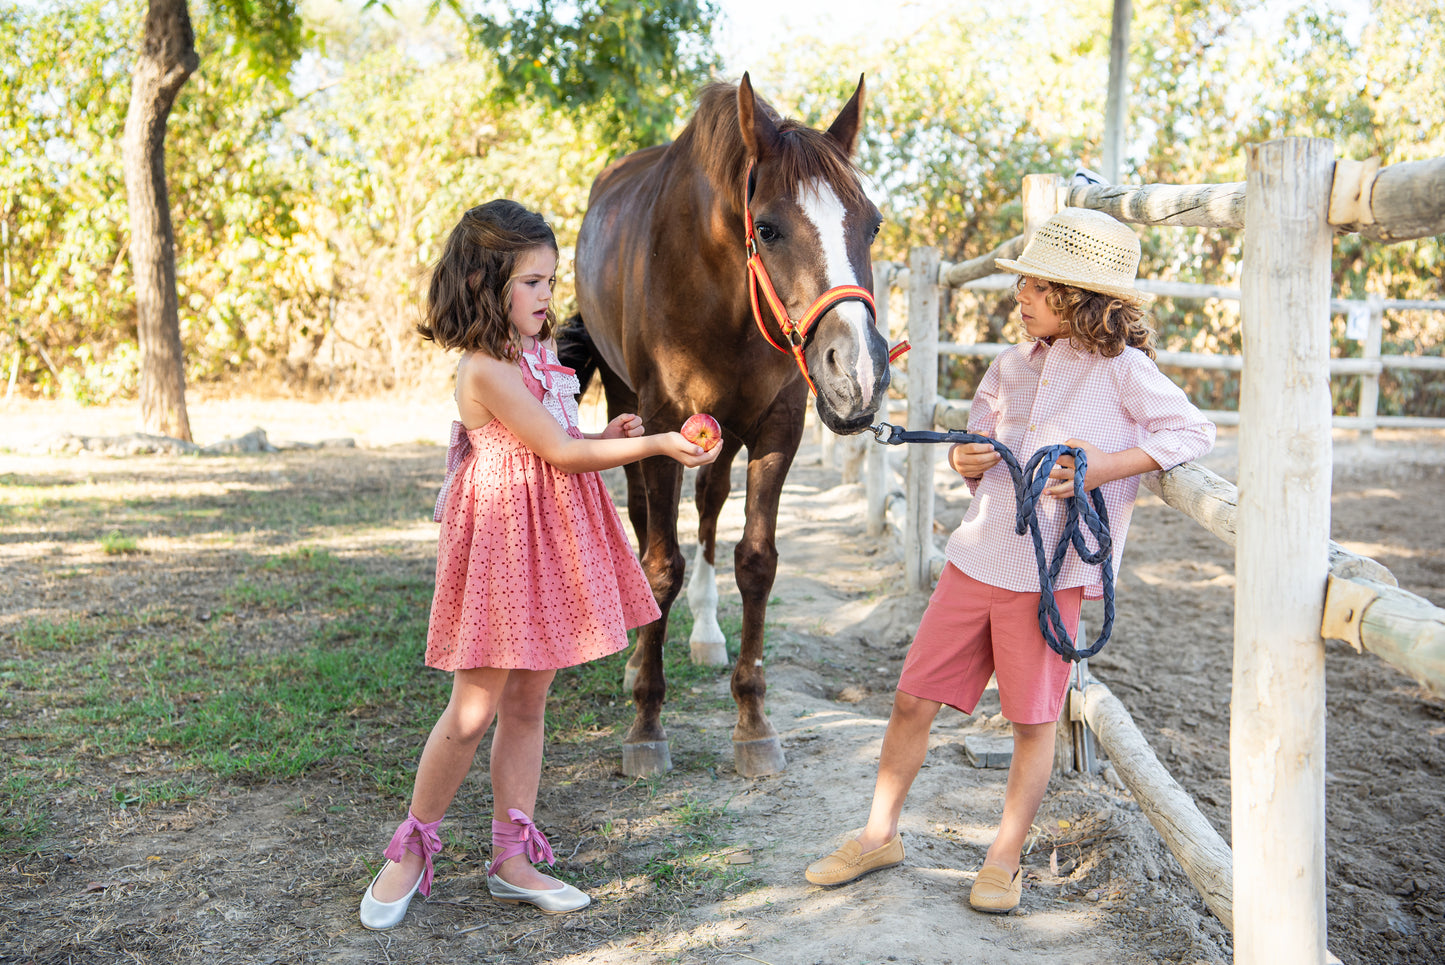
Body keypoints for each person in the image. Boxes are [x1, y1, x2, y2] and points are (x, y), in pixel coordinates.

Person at [803, 207, 1215, 913]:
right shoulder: (1007, 365)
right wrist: (967, 456)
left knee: (1031, 721)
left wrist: (1102, 467)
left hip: (1050, 579)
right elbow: (980, 440)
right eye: (1020, 283)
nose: (1017, 296)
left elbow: (1192, 429)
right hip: (976, 559)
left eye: (1033, 285)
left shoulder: (1124, 372)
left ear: (1077, 296)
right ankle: (878, 832)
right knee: (910, 698)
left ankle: (1003, 856)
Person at [360, 200, 719, 930]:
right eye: (531, 282)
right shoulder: (485, 368)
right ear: (485, 283)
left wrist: (603, 430)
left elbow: (558, 437)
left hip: (545, 541)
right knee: (471, 709)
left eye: (551, 281)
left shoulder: (535, 354)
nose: (547, 296)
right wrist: (651, 445)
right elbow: (554, 453)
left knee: (528, 702)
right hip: (501, 545)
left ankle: (509, 857)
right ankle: (410, 850)